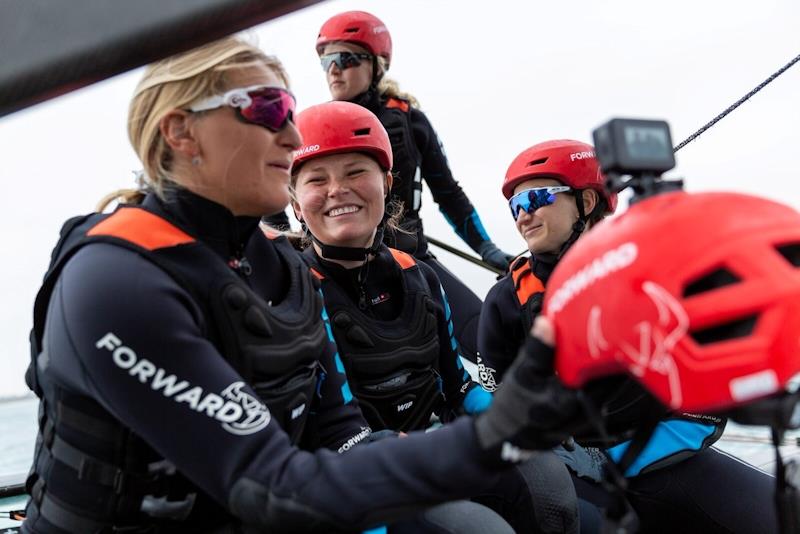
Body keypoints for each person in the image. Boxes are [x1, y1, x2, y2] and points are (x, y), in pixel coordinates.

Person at [21, 36, 578, 533]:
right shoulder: (116, 280)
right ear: (181, 132)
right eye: (268, 109)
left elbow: (337, 425)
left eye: (289, 110)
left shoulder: (279, 269)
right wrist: (486, 439)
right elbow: (270, 485)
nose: (293, 136)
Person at [289, 100, 580, 533]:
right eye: (317, 180)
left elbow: (459, 388)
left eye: (355, 172)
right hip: (357, 479)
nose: (337, 189)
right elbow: (326, 431)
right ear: (294, 203)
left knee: (547, 483)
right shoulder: (291, 290)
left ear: (387, 184)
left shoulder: (420, 277)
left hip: (432, 450)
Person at [478, 139, 778, 532]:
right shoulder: (506, 300)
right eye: (515, 206)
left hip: (664, 453)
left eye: (536, 198)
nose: (523, 216)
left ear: (587, 202)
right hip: (579, 475)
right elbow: (494, 406)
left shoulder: (648, 266)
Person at [277, 10, 512, 367]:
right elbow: (276, 193)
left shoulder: (409, 121)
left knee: (494, 348)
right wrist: (283, 260)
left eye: (346, 58)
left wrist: (488, 249)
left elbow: (447, 193)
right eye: (326, 61)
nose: (333, 69)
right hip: (337, 270)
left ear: (377, 65)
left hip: (411, 256)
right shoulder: (309, 130)